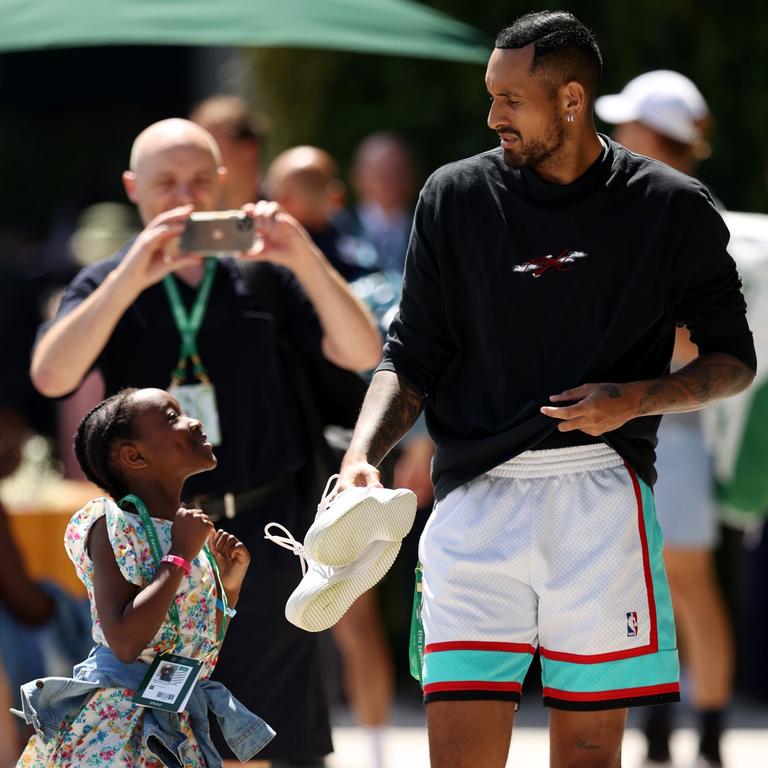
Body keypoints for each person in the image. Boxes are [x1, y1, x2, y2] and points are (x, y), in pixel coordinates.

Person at [330, 11, 755, 768]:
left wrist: (635, 399)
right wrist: (364, 452)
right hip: (472, 504)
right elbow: (411, 353)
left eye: (510, 99)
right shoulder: (452, 196)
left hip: (600, 497)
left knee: (588, 756)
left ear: (570, 100)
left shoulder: (671, 205)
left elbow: (733, 361)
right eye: (490, 96)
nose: (493, 116)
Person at [30, 118, 382, 766]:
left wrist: (301, 252)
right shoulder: (115, 279)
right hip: (157, 546)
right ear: (134, 189)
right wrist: (133, 272)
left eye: (199, 180)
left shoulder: (264, 273)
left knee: (277, 736)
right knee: (163, 732)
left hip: (266, 534)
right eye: (166, 184)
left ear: (223, 182)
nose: (184, 199)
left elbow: (363, 350)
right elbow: (52, 374)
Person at [14, 386, 273, 765]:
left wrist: (229, 588)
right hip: (115, 730)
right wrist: (179, 555)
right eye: (172, 418)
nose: (194, 421)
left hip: (171, 724)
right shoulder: (112, 525)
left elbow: (192, 642)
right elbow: (125, 642)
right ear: (134, 456)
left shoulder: (187, 534)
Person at [596, 71, 732, 768]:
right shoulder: (644, 208)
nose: (617, 138)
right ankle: (661, 731)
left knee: (686, 582)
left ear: (656, 137)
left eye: (631, 127)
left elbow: (699, 344)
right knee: (646, 586)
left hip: (673, 433)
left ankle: (704, 735)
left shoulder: (687, 215)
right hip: (642, 431)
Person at [190, 95, 268, 208]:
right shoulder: (189, 218)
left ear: (248, 148)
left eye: (211, 145)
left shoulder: (287, 213)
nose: (197, 157)